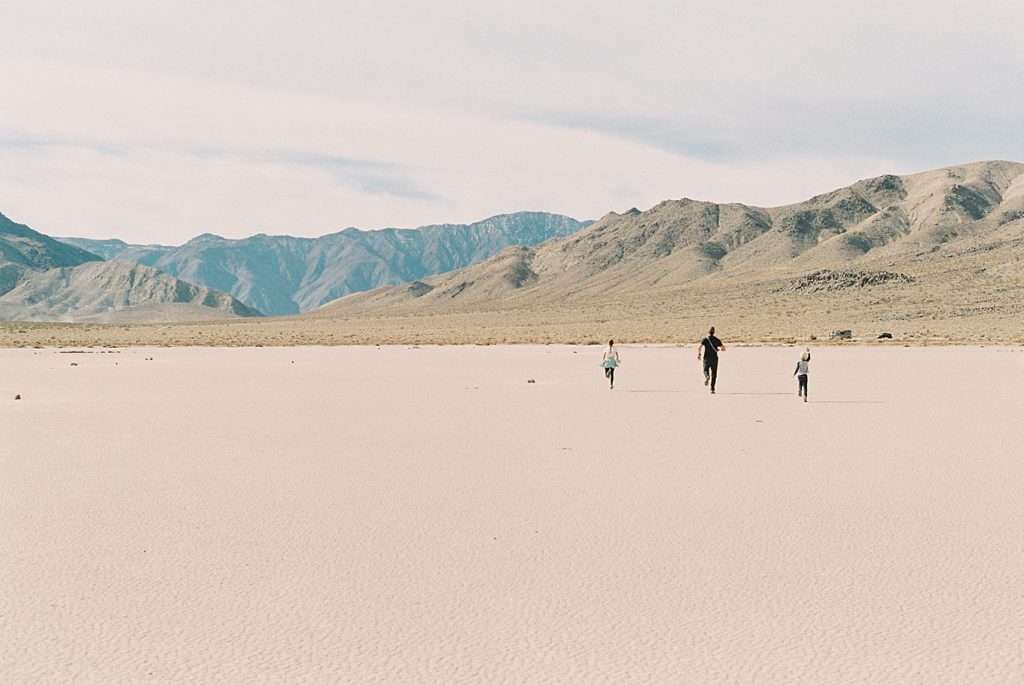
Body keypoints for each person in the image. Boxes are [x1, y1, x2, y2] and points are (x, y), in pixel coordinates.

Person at [696, 326, 725, 394]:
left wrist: (699, 354)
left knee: (705, 369)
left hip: (706, 358)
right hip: (714, 359)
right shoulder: (717, 340)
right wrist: (719, 349)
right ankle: (712, 389)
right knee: (714, 374)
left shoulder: (705, 339)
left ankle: (707, 376)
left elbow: (699, 347)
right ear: (714, 332)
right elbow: (723, 348)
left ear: (708, 332)